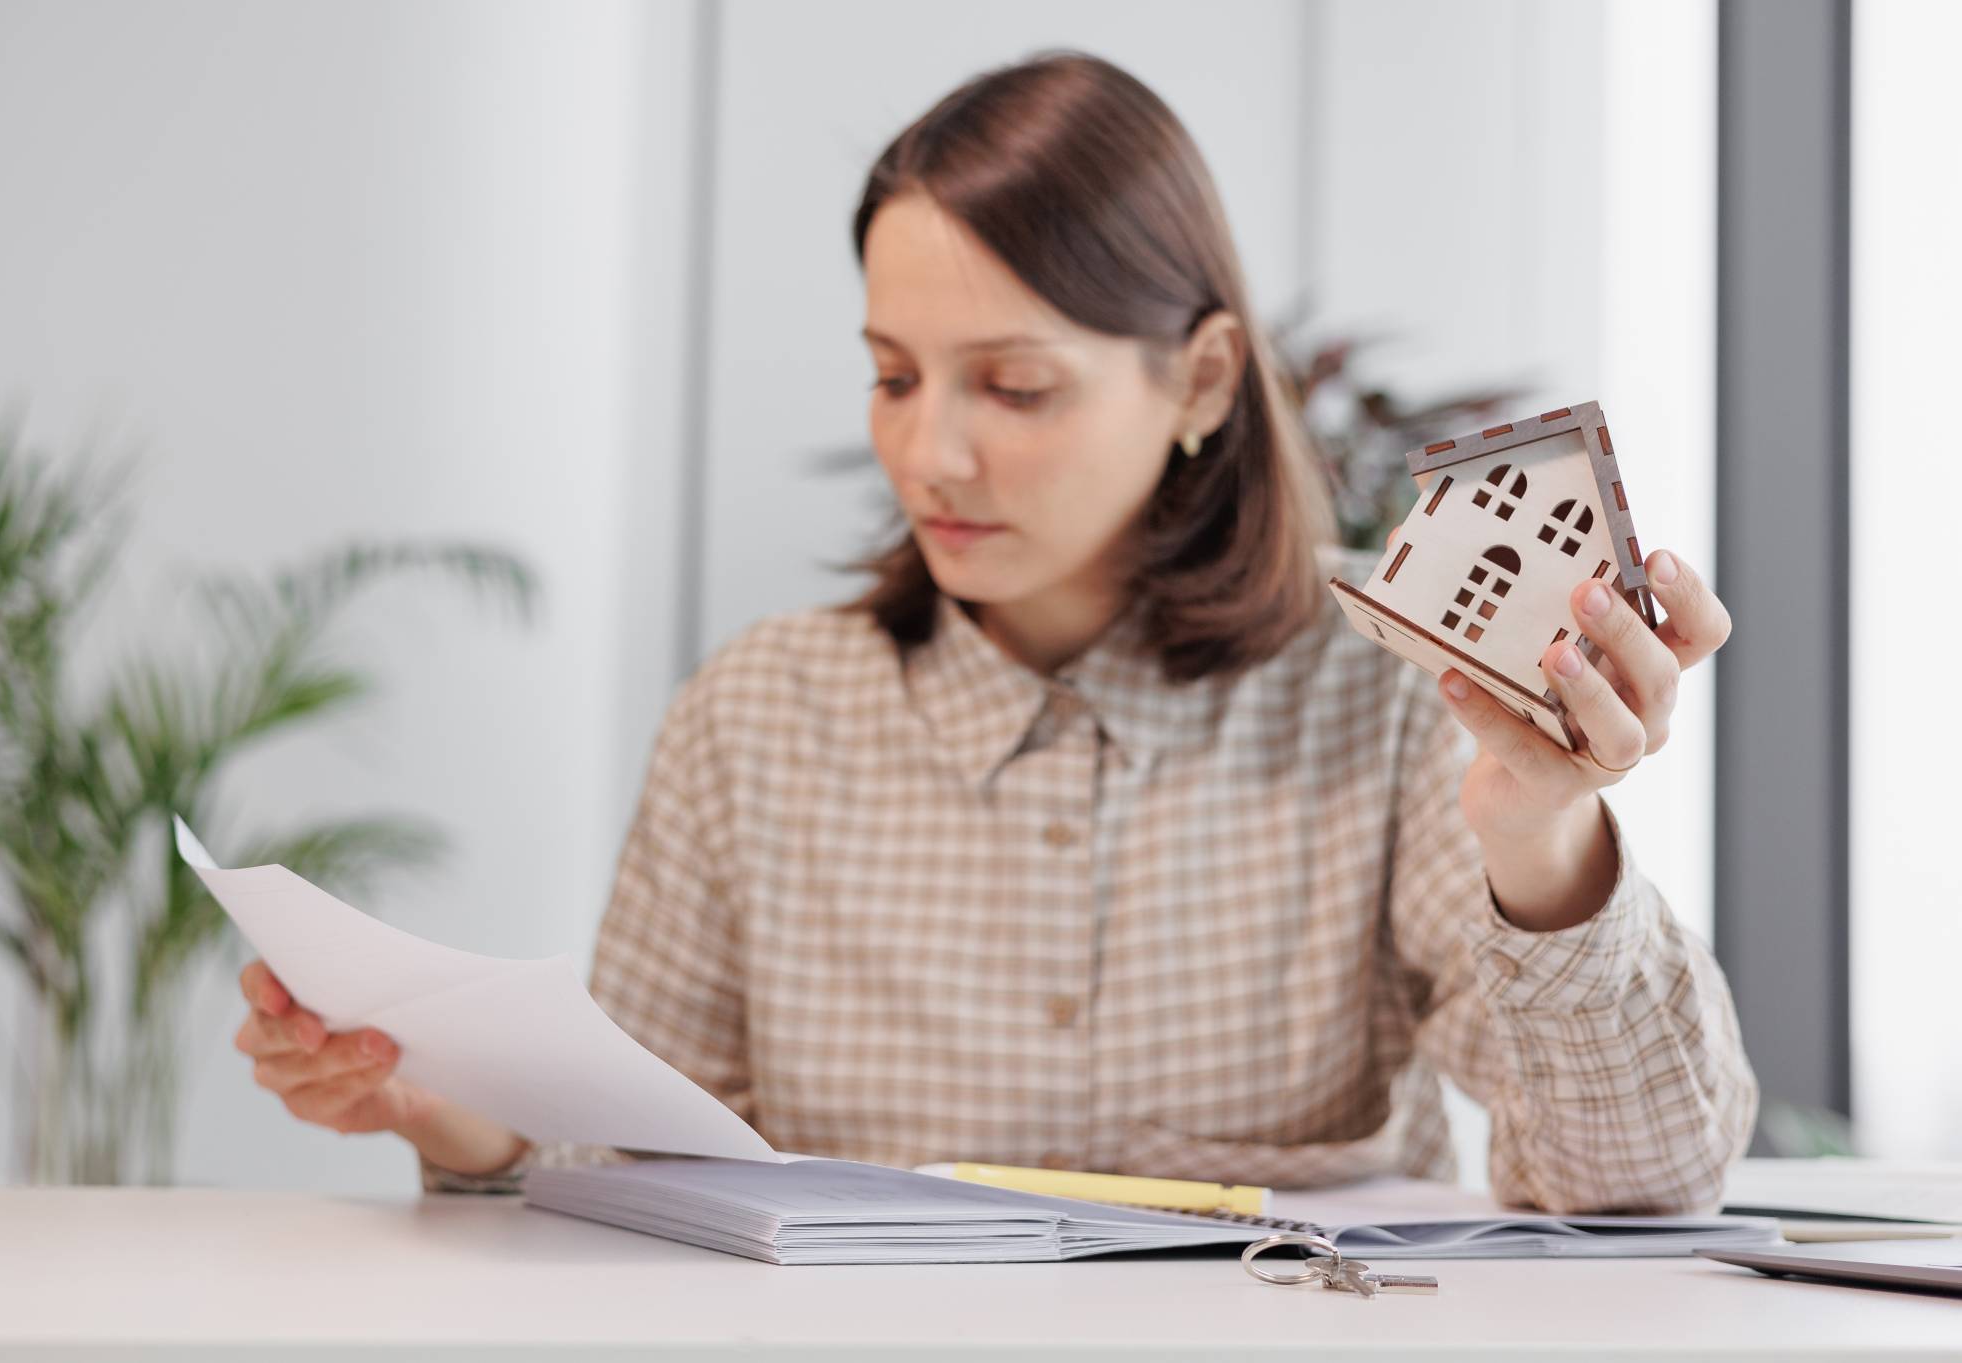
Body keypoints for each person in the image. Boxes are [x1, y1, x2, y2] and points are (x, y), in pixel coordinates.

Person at [233, 50, 1755, 1214]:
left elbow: (1645, 1179)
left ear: (1206, 382)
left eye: (1014, 388)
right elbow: (628, 1158)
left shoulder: (1384, 704)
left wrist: (1541, 837)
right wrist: (448, 1110)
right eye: (896, 376)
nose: (932, 456)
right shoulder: (755, 717)